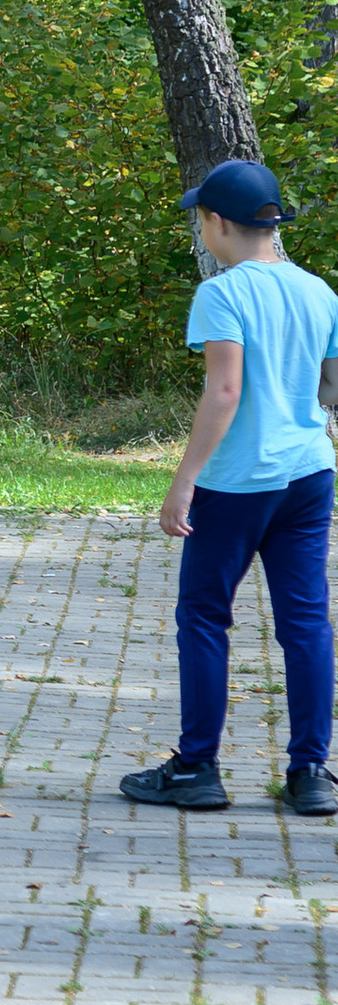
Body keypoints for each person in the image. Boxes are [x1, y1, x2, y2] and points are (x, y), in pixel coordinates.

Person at [122, 159, 338, 817]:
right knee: (306, 621)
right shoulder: (319, 291)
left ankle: (196, 768)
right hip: (308, 473)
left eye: (200, 218)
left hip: (237, 484)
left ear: (219, 223)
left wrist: (182, 482)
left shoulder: (223, 293)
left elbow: (225, 390)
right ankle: (311, 776)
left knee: (205, 616)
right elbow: (331, 388)